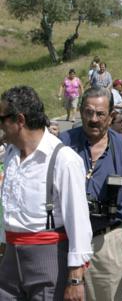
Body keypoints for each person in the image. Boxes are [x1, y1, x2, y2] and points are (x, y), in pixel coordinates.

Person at [59, 87, 122, 301]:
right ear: (80, 112)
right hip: (66, 242)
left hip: (106, 243)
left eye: (100, 114)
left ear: (111, 116)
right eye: (88, 112)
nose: (93, 119)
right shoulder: (63, 143)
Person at [0, 86, 92, 301]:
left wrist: (75, 278)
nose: (0, 125)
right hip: (11, 258)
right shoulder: (11, 154)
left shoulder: (63, 159)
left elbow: (78, 221)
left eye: (2, 119)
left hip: (48, 257)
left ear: (19, 120)